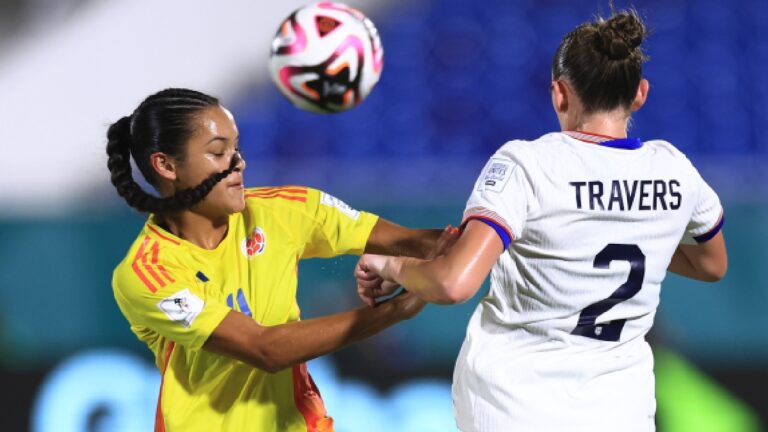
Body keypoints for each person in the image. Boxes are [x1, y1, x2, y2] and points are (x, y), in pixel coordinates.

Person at [355, 9, 727, 432]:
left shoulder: (528, 164)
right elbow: (712, 264)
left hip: (514, 408)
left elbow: (452, 283)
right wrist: (630, 228)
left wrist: (392, 264)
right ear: (640, 93)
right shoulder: (675, 170)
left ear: (559, 94)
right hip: (620, 413)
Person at [106, 88, 454, 432]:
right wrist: (394, 311)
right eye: (218, 152)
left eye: (236, 147)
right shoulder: (147, 274)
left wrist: (490, 227)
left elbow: (419, 243)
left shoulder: (283, 210)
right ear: (166, 165)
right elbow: (265, 348)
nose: (239, 162)